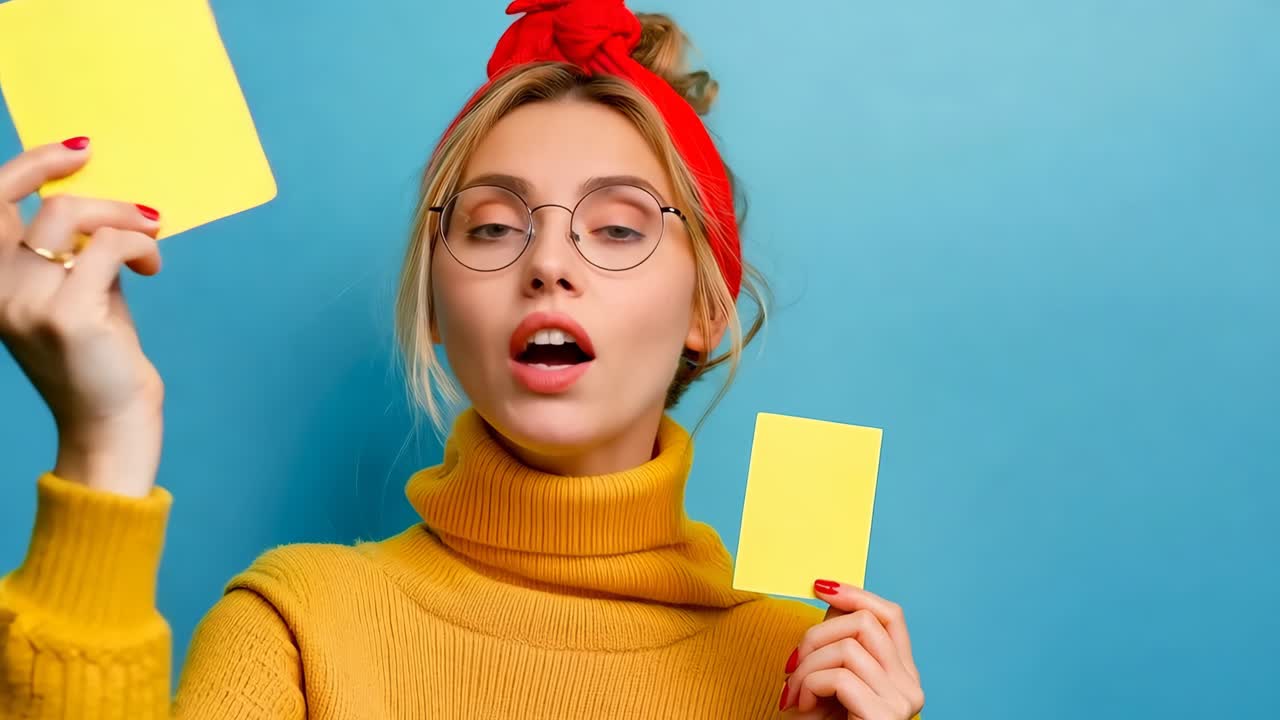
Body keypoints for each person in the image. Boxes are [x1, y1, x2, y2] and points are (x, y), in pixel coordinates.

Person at [0, 1, 925, 718]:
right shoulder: (295, 628)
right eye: (491, 226)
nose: (549, 263)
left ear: (707, 311)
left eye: (616, 226)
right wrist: (103, 440)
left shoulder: (807, 674)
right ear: (436, 306)